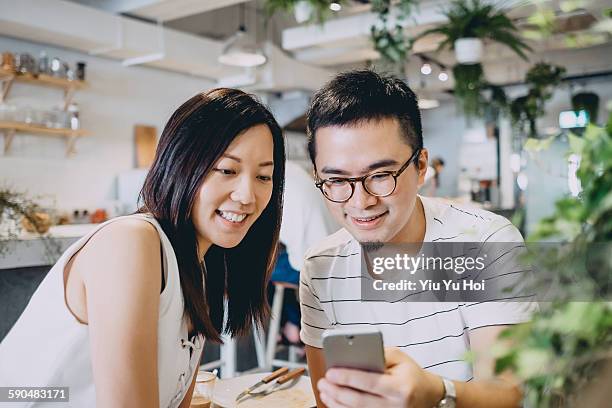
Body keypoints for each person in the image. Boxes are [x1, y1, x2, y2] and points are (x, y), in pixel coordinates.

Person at [0, 88, 285, 407]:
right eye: (227, 170)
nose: (247, 195)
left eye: (264, 176)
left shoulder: (201, 269)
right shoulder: (131, 242)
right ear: (181, 163)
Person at [299, 70, 536, 408]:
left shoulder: (485, 242)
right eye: (336, 180)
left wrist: (438, 392)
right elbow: (328, 399)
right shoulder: (320, 266)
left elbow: (511, 393)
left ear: (421, 166)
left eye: (381, 176)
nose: (360, 201)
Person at [273, 160, 338, 344]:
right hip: (328, 255)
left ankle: (293, 325)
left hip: (313, 267)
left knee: (253, 269)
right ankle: (294, 325)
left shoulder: (271, 179)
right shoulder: (292, 169)